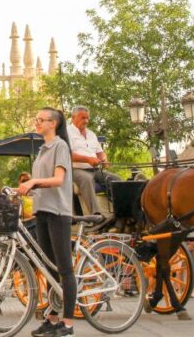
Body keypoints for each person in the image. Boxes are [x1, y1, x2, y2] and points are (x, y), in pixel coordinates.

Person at [18, 108, 75, 337]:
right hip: (41, 211)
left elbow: (58, 180)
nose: (37, 122)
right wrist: (22, 188)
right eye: (36, 119)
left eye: (41, 120)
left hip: (58, 211)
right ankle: (52, 319)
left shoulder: (60, 146)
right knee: (49, 268)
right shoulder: (42, 149)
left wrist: (33, 182)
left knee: (64, 268)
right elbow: (41, 184)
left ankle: (68, 323)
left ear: (54, 123)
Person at [67, 106, 122, 215]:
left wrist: (104, 160)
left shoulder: (91, 134)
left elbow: (100, 152)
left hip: (96, 170)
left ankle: (121, 213)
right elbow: (66, 154)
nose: (86, 121)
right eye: (83, 118)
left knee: (116, 179)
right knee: (87, 180)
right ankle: (96, 216)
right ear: (73, 117)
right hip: (76, 170)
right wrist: (87, 159)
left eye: (87, 118)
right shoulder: (66, 133)